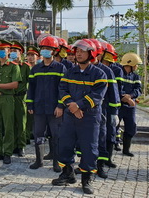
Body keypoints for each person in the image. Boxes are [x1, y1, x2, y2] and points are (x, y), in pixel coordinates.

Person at [53, 39, 107, 195]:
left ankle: (86, 178)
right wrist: (72, 105)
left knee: (89, 148)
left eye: (82, 51)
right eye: (77, 51)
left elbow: (97, 95)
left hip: (89, 117)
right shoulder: (69, 72)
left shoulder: (99, 74)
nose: (78, 54)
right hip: (70, 116)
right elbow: (62, 89)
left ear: (91, 53)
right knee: (64, 144)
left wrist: (79, 105)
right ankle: (68, 173)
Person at [26, 36, 66, 172]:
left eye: (48, 49)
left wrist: (61, 106)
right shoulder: (35, 69)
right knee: (38, 134)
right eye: (43, 49)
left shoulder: (61, 68)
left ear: (54, 51)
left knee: (56, 135)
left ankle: (56, 162)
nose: (45, 51)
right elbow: (31, 88)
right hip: (39, 108)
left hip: (55, 109)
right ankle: (39, 161)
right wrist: (30, 105)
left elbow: (64, 88)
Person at [0, 40, 20, 164]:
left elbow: (15, 84)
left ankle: (8, 152)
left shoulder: (14, 66)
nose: (0, 52)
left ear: (9, 51)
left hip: (8, 98)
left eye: (3, 50)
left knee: (8, 126)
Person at [99, 41, 123, 167]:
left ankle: (106, 160)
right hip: (97, 108)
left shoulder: (111, 71)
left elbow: (115, 92)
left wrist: (114, 112)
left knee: (109, 134)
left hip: (108, 106)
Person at [118, 52, 142, 157]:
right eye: (136, 65)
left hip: (130, 106)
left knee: (131, 127)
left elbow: (138, 90)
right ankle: (112, 146)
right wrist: (124, 98)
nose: (137, 67)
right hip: (119, 105)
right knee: (113, 126)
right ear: (130, 64)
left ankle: (126, 149)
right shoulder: (119, 73)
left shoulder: (136, 76)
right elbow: (117, 88)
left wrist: (130, 96)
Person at [10, 41, 29, 157]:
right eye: (11, 51)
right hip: (9, 97)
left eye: (15, 51)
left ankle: (21, 146)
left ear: (20, 53)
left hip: (21, 97)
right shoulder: (8, 66)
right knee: (10, 123)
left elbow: (31, 83)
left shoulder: (25, 67)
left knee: (21, 122)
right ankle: (12, 146)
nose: (12, 53)